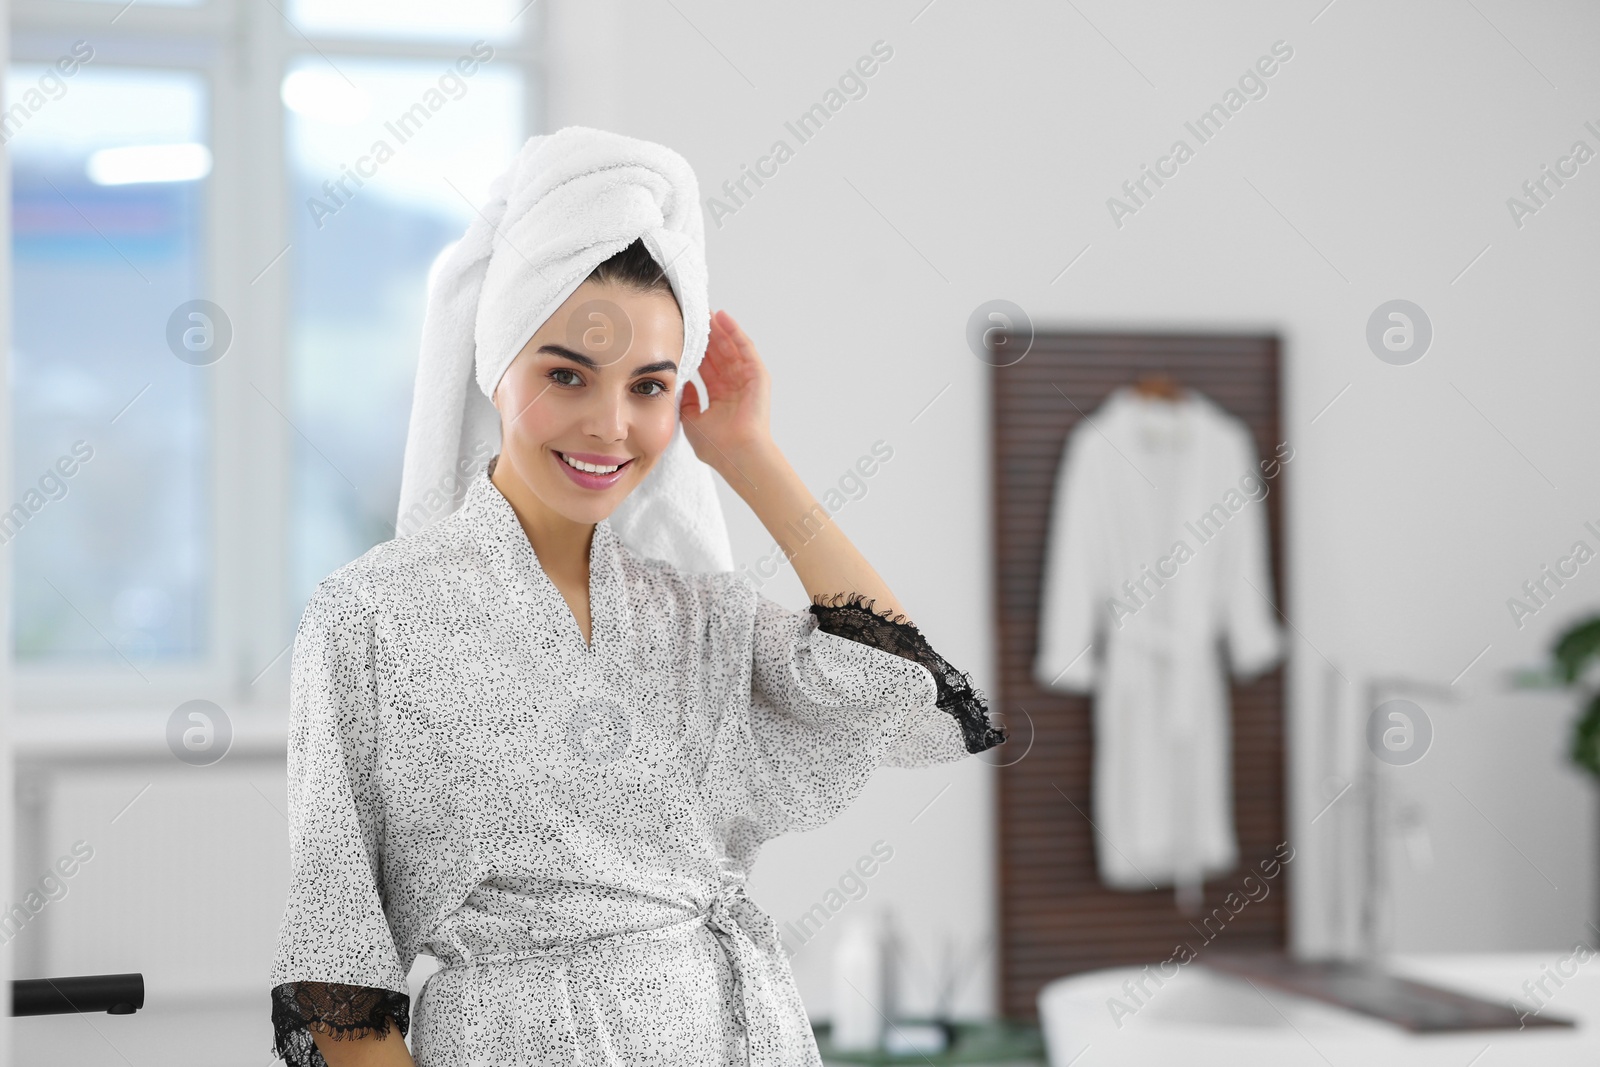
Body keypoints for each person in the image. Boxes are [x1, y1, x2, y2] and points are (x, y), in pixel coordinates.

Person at [268, 127, 1005, 1067]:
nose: (610, 424)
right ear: (497, 368)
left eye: (649, 385)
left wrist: (749, 452)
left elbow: (895, 685)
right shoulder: (371, 617)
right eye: (566, 374)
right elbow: (341, 991)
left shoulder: (693, 614)